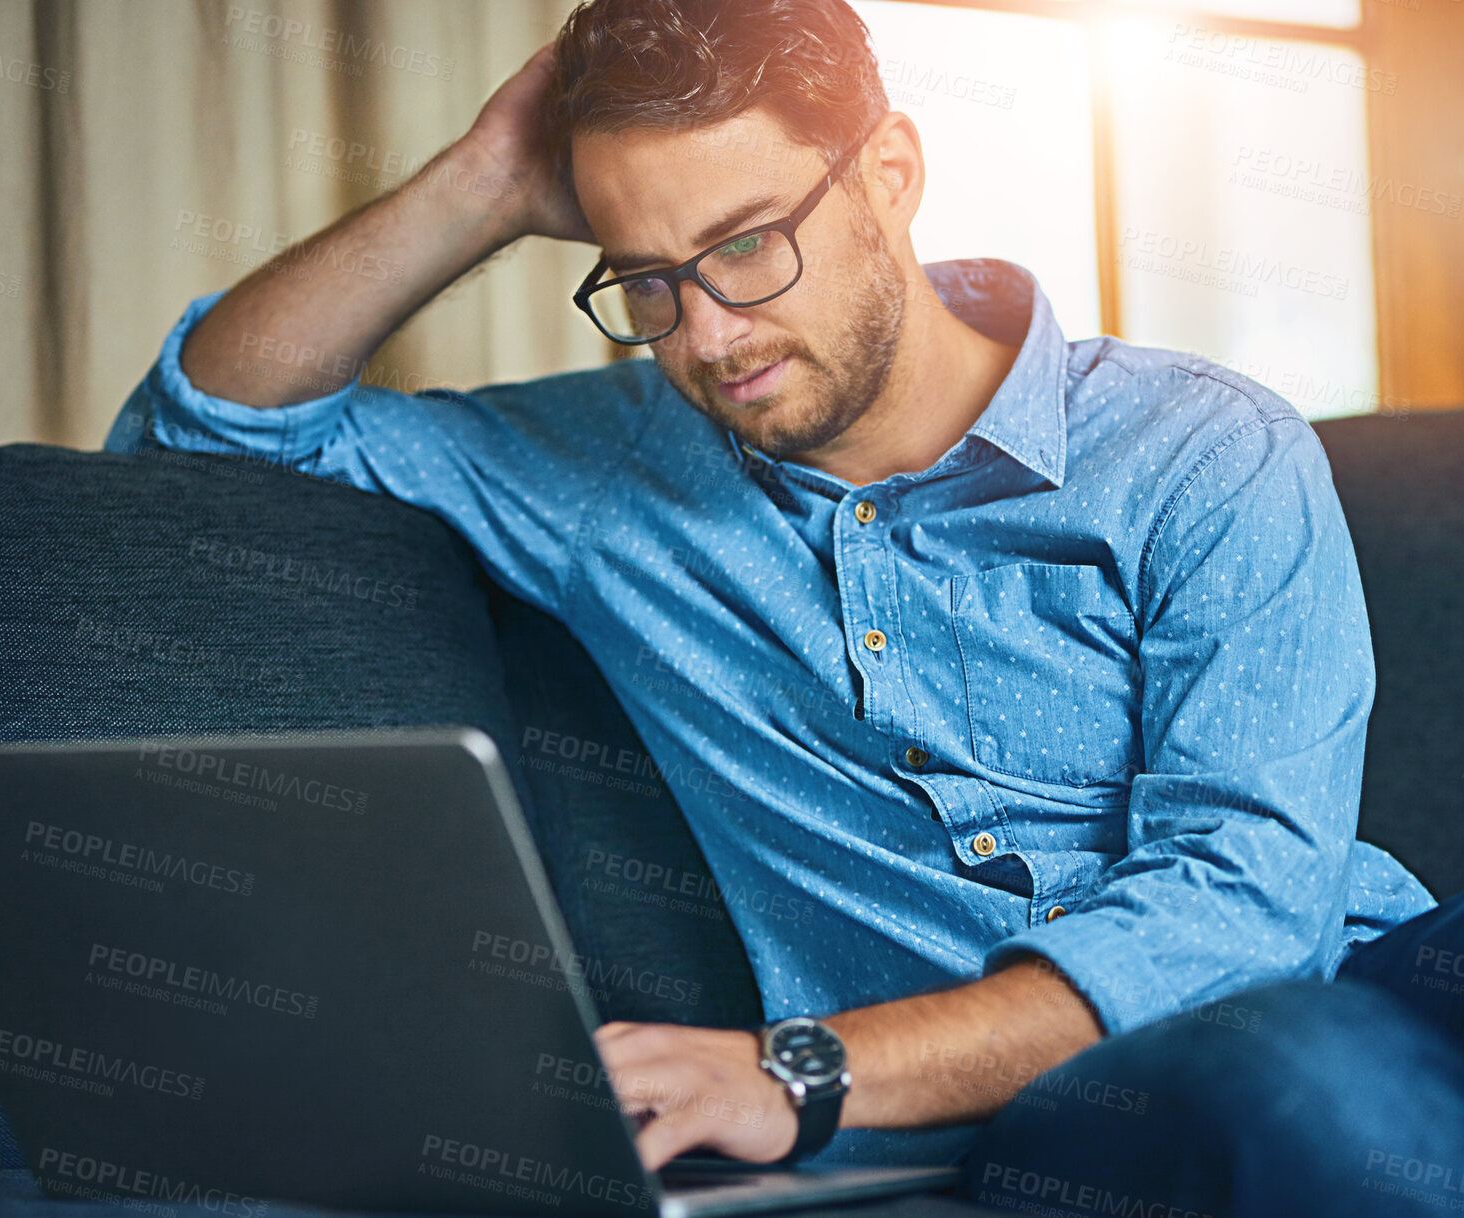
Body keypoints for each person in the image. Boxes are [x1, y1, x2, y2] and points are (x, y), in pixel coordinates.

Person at [105, 1, 1462, 1211]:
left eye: (744, 245)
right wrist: (477, 186)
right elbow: (206, 432)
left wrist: (794, 1066)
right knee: (1294, 1086)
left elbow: (1249, 909)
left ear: (889, 173)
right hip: (1128, 1098)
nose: (706, 336)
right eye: (644, 279)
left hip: (1364, 972)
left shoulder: (1200, 447)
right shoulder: (605, 473)